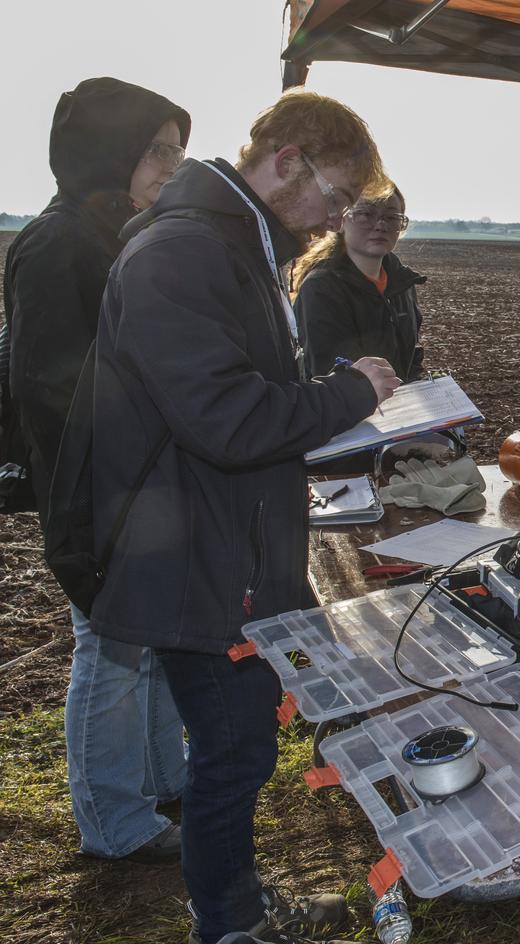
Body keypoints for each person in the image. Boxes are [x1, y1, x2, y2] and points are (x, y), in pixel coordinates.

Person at [89, 89, 399, 944]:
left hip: (224, 544)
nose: (335, 221)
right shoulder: (184, 252)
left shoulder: (231, 244)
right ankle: (230, 925)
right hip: (197, 557)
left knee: (239, 746)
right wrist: (348, 393)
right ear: (288, 160)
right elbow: (224, 417)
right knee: (232, 755)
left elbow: (238, 404)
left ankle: (238, 909)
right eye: (334, 199)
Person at [2, 76, 190, 863]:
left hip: (134, 478)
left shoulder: (116, 233)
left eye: (179, 152)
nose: (173, 167)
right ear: (108, 150)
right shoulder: (53, 244)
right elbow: (51, 379)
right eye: (158, 150)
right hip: (90, 485)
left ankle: (160, 781)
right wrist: (163, 394)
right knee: (108, 647)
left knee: (141, 638)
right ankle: (114, 822)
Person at [294, 183, 426, 382]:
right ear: (341, 221)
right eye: (365, 214)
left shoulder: (401, 283)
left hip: (399, 407)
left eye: (391, 217)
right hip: (350, 409)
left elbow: (411, 356)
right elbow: (326, 372)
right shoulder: (321, 290)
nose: (381, 225)